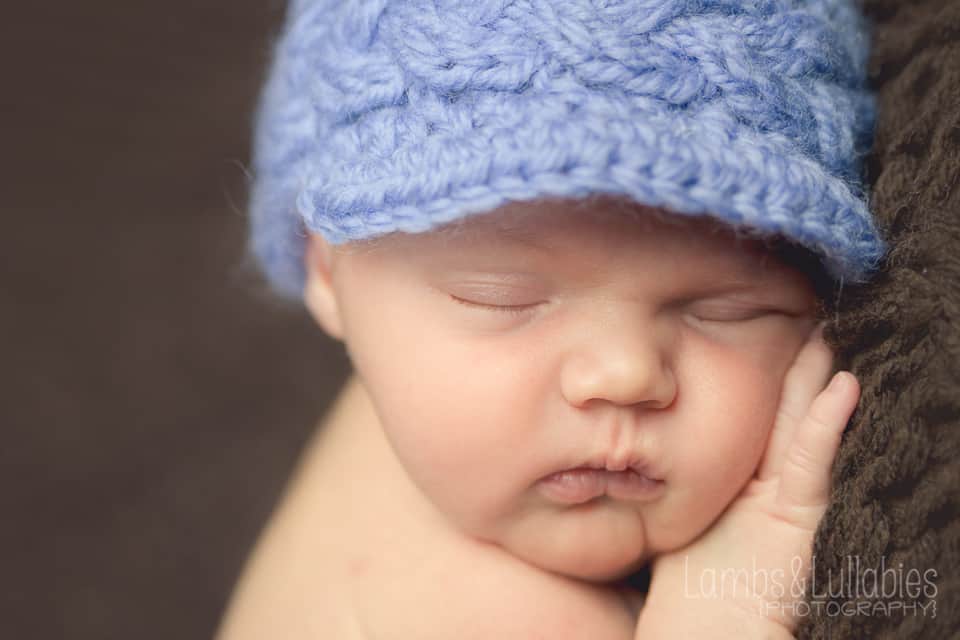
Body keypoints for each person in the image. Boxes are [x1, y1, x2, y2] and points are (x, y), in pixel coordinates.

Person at [217, 1, 887, 637]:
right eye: (501, 299)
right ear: (328, 272)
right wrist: (725, 616)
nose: (624, 374)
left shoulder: (406, 393)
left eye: (728, 310)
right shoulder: (506, 621)